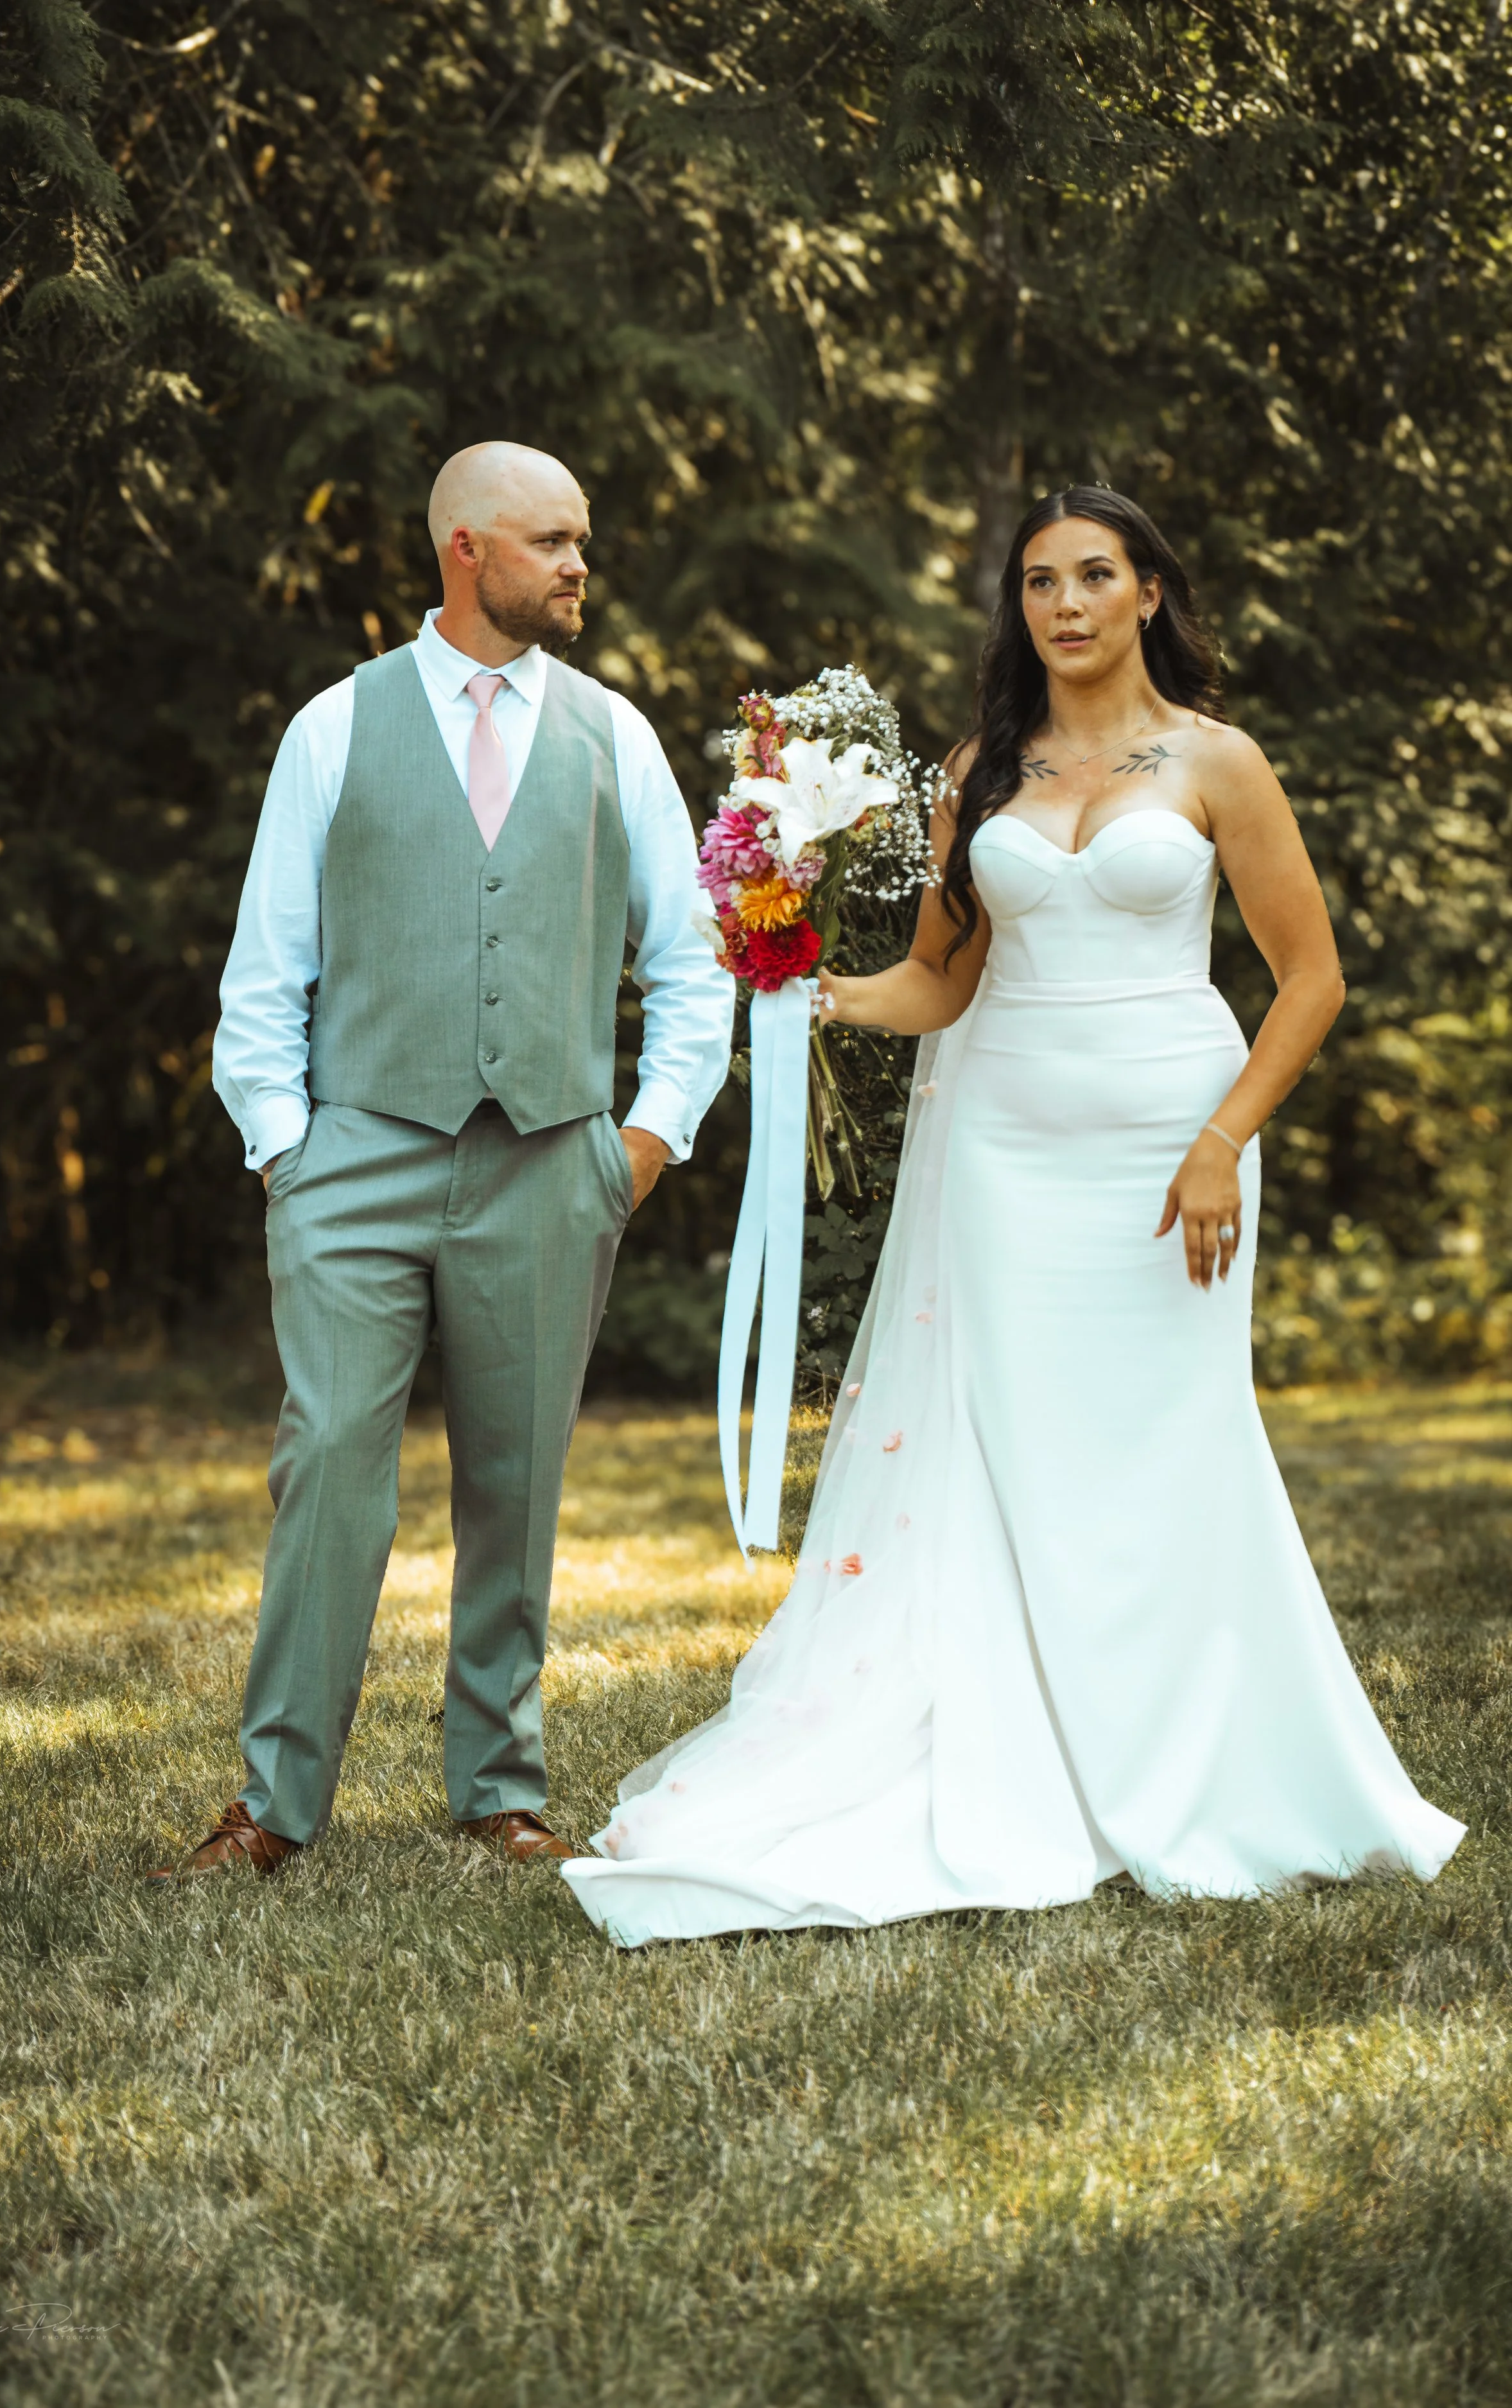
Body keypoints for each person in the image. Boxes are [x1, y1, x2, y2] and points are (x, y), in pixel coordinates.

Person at [562, 484, 1464, 1947]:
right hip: (998, 1150)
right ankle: (1023, 1759)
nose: (1064, 603)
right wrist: (806, 986)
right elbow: (938, 986)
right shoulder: (979, 772)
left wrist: (1220, 1142)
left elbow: (1309, 983)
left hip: (1169, 1147)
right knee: (1005, 1449)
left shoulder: (1219, 763)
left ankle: (1192, 1766)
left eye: (1094, 575)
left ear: (1147, 594)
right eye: (1039, 580)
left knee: (1171, 1443)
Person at [149, 442, 733, 1882]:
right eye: (551, 542)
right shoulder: (334, 727)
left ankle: (498, 1789)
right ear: (465, 549)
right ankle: (275, 1806)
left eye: (583, 539)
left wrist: (642, 1143)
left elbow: (691, 960)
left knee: (515, 1488)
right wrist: (286, 1150)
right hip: (353, 1160)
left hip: (551, 1164)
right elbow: (265, 968)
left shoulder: (616, 735)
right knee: (333, 1462)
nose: (579, 565)